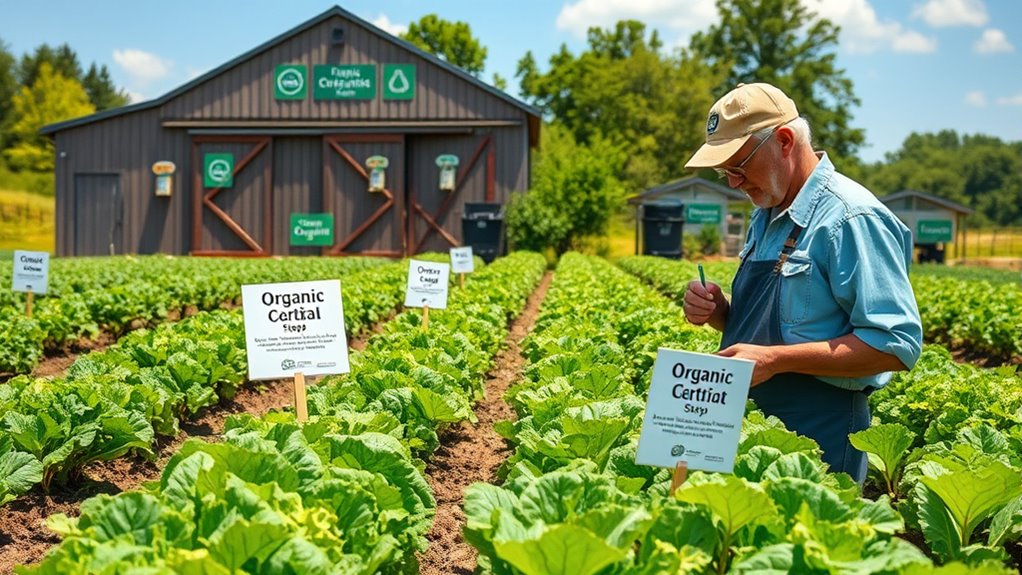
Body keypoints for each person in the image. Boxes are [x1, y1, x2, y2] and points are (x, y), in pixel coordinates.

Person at [681, 82, 922, 484]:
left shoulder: (851, 217)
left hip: (819, 428)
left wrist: (777, 361)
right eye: (726, 174)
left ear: (785, 141)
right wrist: (719, 312)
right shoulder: (767, 212)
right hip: (751, 421)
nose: (734, 184)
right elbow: (784, 325)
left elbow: (895, 346)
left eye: (738, 169)